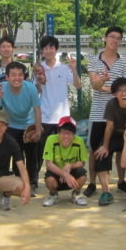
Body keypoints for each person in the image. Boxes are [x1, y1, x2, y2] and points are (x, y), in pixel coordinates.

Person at [85, 26, 126, 198]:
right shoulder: (93, 60)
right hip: (98, 113)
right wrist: (105, 83)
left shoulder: (125, 63)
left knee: (120, 149)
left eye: (118, 38)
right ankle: (92, 183)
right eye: (112, 37)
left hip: (119, 114)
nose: (115, 40)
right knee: (95, 150)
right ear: (105, 38)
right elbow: (94, 85)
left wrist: (107, 87)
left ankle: (121, 181)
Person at [0, 61, 43, 192]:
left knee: (31, 155)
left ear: (24, 76)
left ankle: (33, 183)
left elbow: (37, 109)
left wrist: (38, 129)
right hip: (12, 125)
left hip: (29, 123)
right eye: (13, 75)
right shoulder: (2, 89)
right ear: (7, 77)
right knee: (16, 156)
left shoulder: (30, 88)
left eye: (20, 75)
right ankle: (19, 182)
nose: (17, 78)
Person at [34, 35, 82, 167]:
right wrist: (38, 79)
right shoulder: (39, 68)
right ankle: (34, 177)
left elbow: (78, 85)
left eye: (51, 47)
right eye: (45, 48)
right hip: (45, 116)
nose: (48, 50)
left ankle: (61, 176)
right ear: (42, 51)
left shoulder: (64, 68)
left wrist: (73, 69)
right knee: (40, 151)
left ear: (56, 49)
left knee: (62, 152)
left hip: (62, 117)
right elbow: (37, 90)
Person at [94, 77, 126, 206]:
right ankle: (106, 192)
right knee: (101, 155)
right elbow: (109, 126)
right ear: (115, 94)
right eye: (120, 91)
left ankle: (122, 182)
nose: (124, 93)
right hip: (115, 134)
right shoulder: (111, 104)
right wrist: (105, 146)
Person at [42, 116, 89, 207]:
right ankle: (53, 195)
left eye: (70, 133)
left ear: (74, 134)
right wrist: (64, 174)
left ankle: (76, 194)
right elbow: (49, 164)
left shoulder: (79, 141)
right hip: (57, 173)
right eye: (63, 132)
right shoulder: (51, 139)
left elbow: (82, 162)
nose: (66, 136)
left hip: (71, 175)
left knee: (82, 174)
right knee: (49, 180)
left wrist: (70, 166)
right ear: (58, 132)